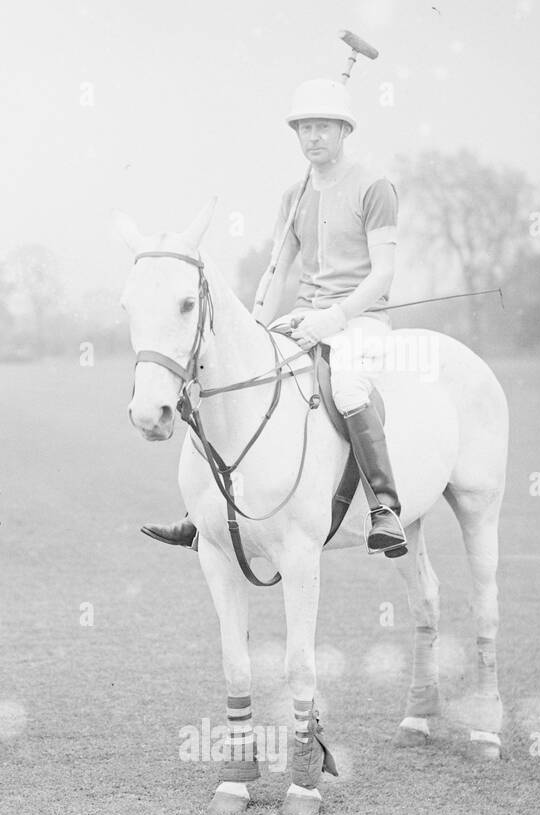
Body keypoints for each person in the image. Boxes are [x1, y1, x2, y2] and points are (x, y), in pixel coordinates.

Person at [143, 78, 407, 558]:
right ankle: (202, 513)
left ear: (344, 130)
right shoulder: (293, 197)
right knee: (235, 375)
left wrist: (335, 318)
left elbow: (383, 275)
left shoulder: (375, 187)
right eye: (305, 127)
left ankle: (383, 506)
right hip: (304, 317)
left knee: (347, 388)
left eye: (323, 126)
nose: (313, 136)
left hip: (362, 319)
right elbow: (278, 270)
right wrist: (256, 328)